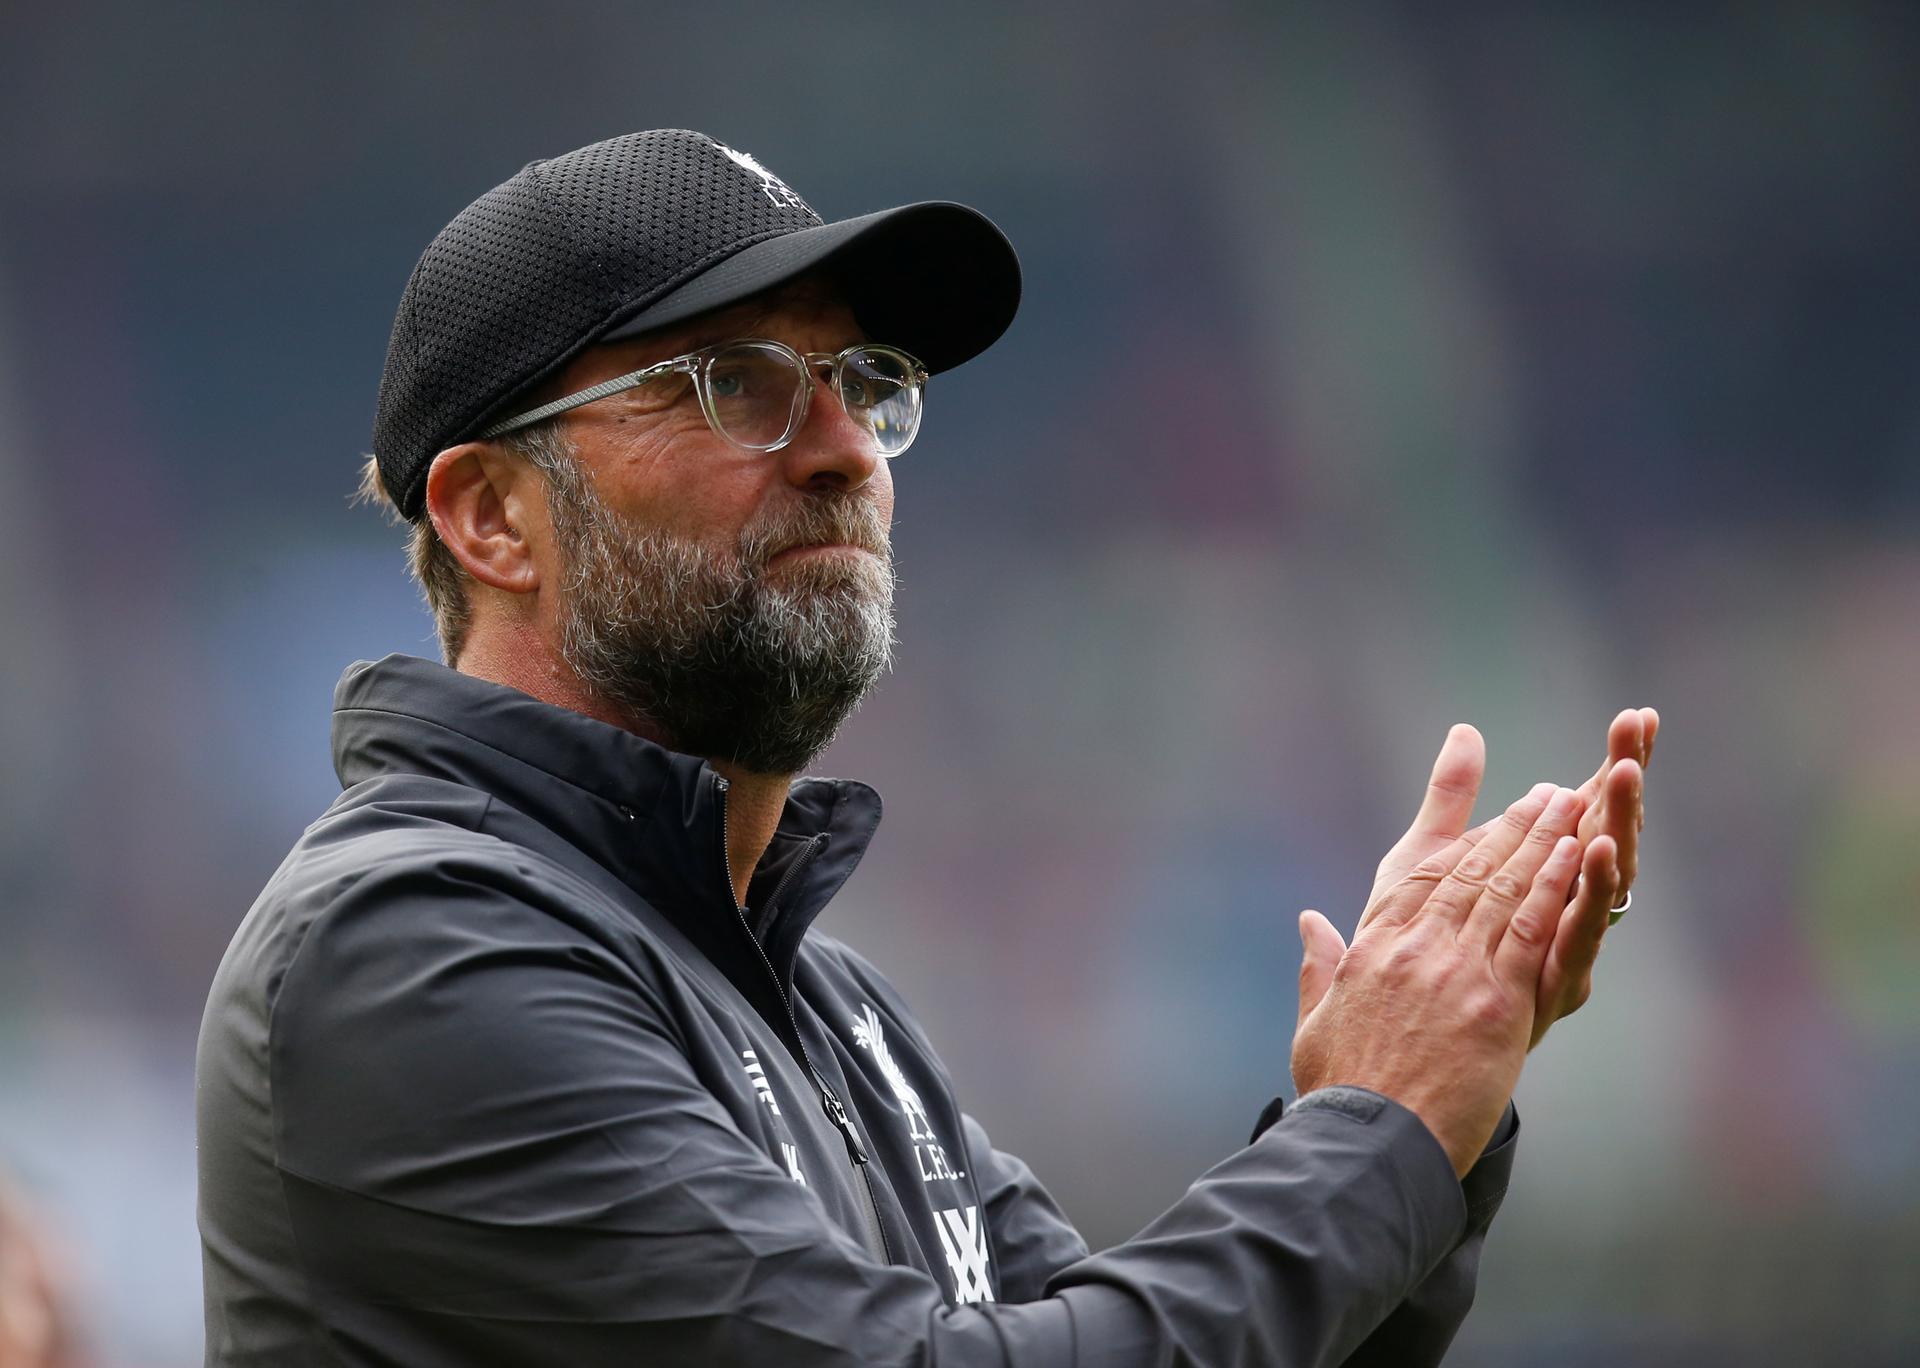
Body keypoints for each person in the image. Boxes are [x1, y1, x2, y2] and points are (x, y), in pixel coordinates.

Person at [196, 129, 1658, 1366]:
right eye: (738, 381)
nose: (842, 448)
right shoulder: (405, 949)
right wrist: (1375, 1130)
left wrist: (1437, 1094)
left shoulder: (830, 1005)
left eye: (865, 380)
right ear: (492, 517)